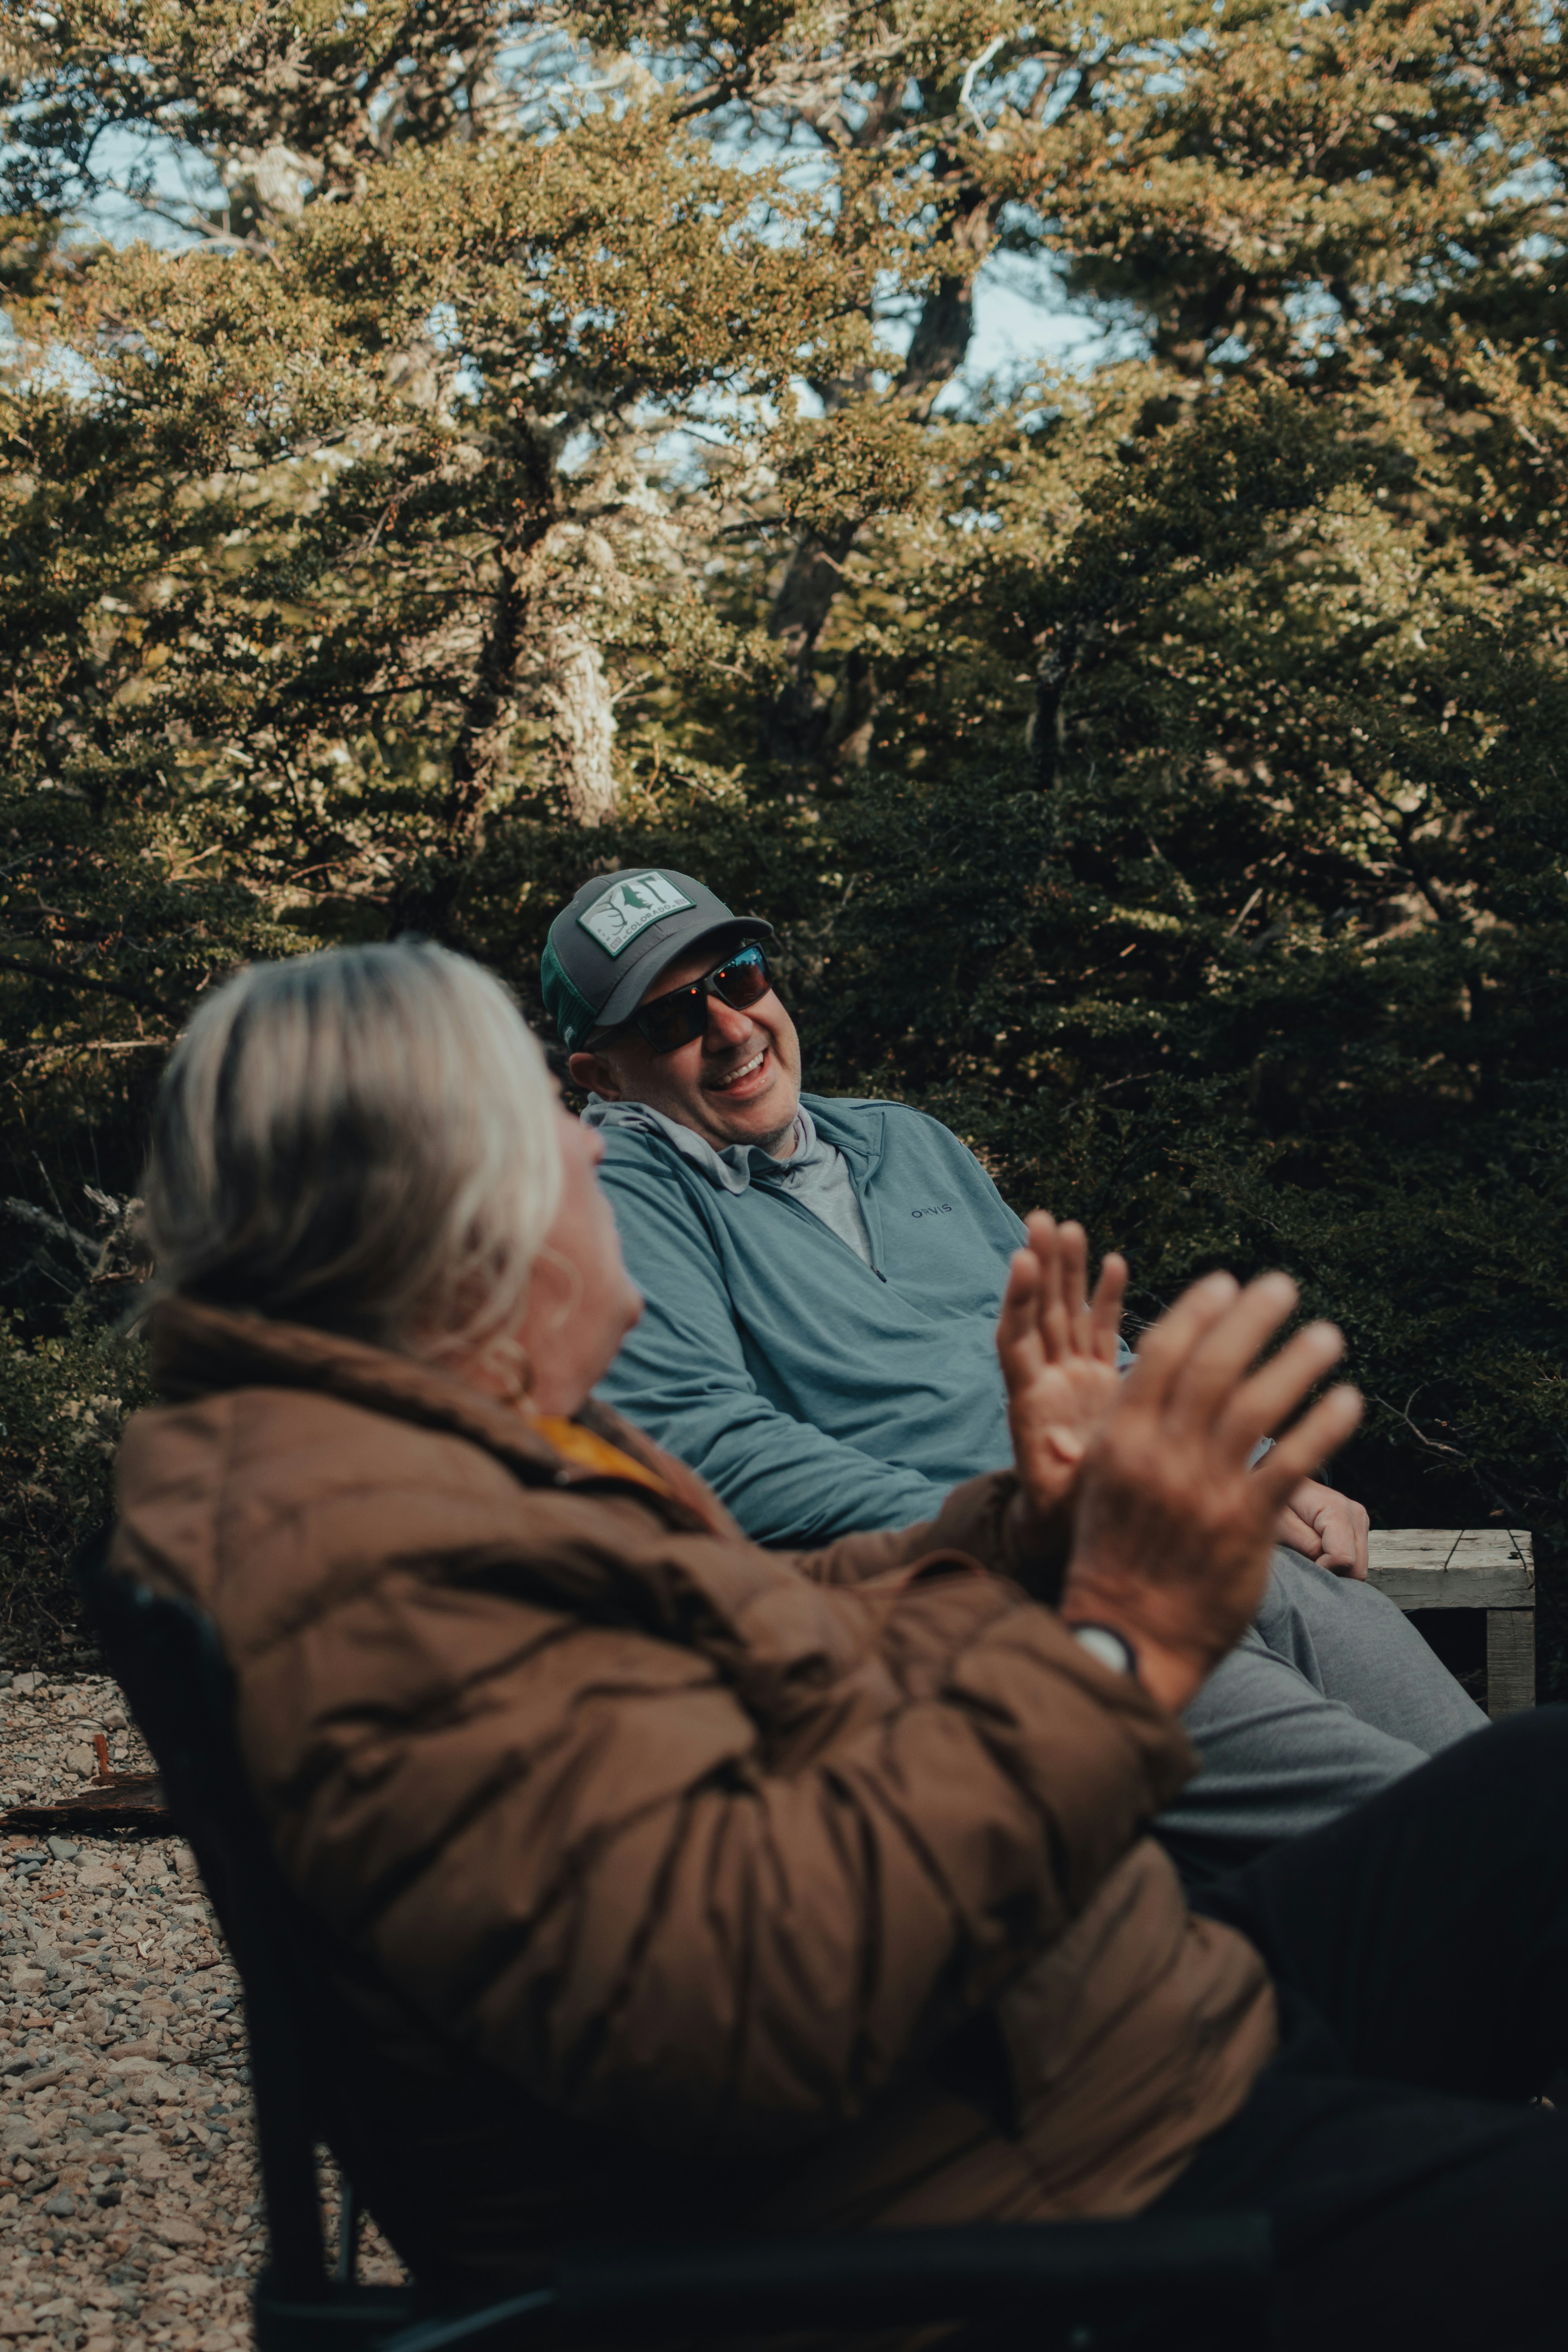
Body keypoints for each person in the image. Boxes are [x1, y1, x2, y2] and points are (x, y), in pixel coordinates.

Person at [109, 941, 1568, 2351]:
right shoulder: (382, 1576)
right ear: (433, 1198)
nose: (601, 1152)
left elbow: (786, 1623)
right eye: (554, 1120)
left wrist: (1030, 1527)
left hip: (1077, 2028)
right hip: (1033, 2202)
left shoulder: (437, 1456)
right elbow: (741, 2001)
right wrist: (1111, 1653)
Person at [543, 868, 1489, 1884]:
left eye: (739, 976)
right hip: (995, 1603)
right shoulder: (627, 1188)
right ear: (600, 1076)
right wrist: (1020, 1518)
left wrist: (1253, 1462)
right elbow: (699, 1446)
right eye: (672, 1017)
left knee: (1491, 1776)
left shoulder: (901, 1140)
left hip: (1153, 1523)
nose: (730, 1028)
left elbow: (1085, 1362)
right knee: (1445, 1844)